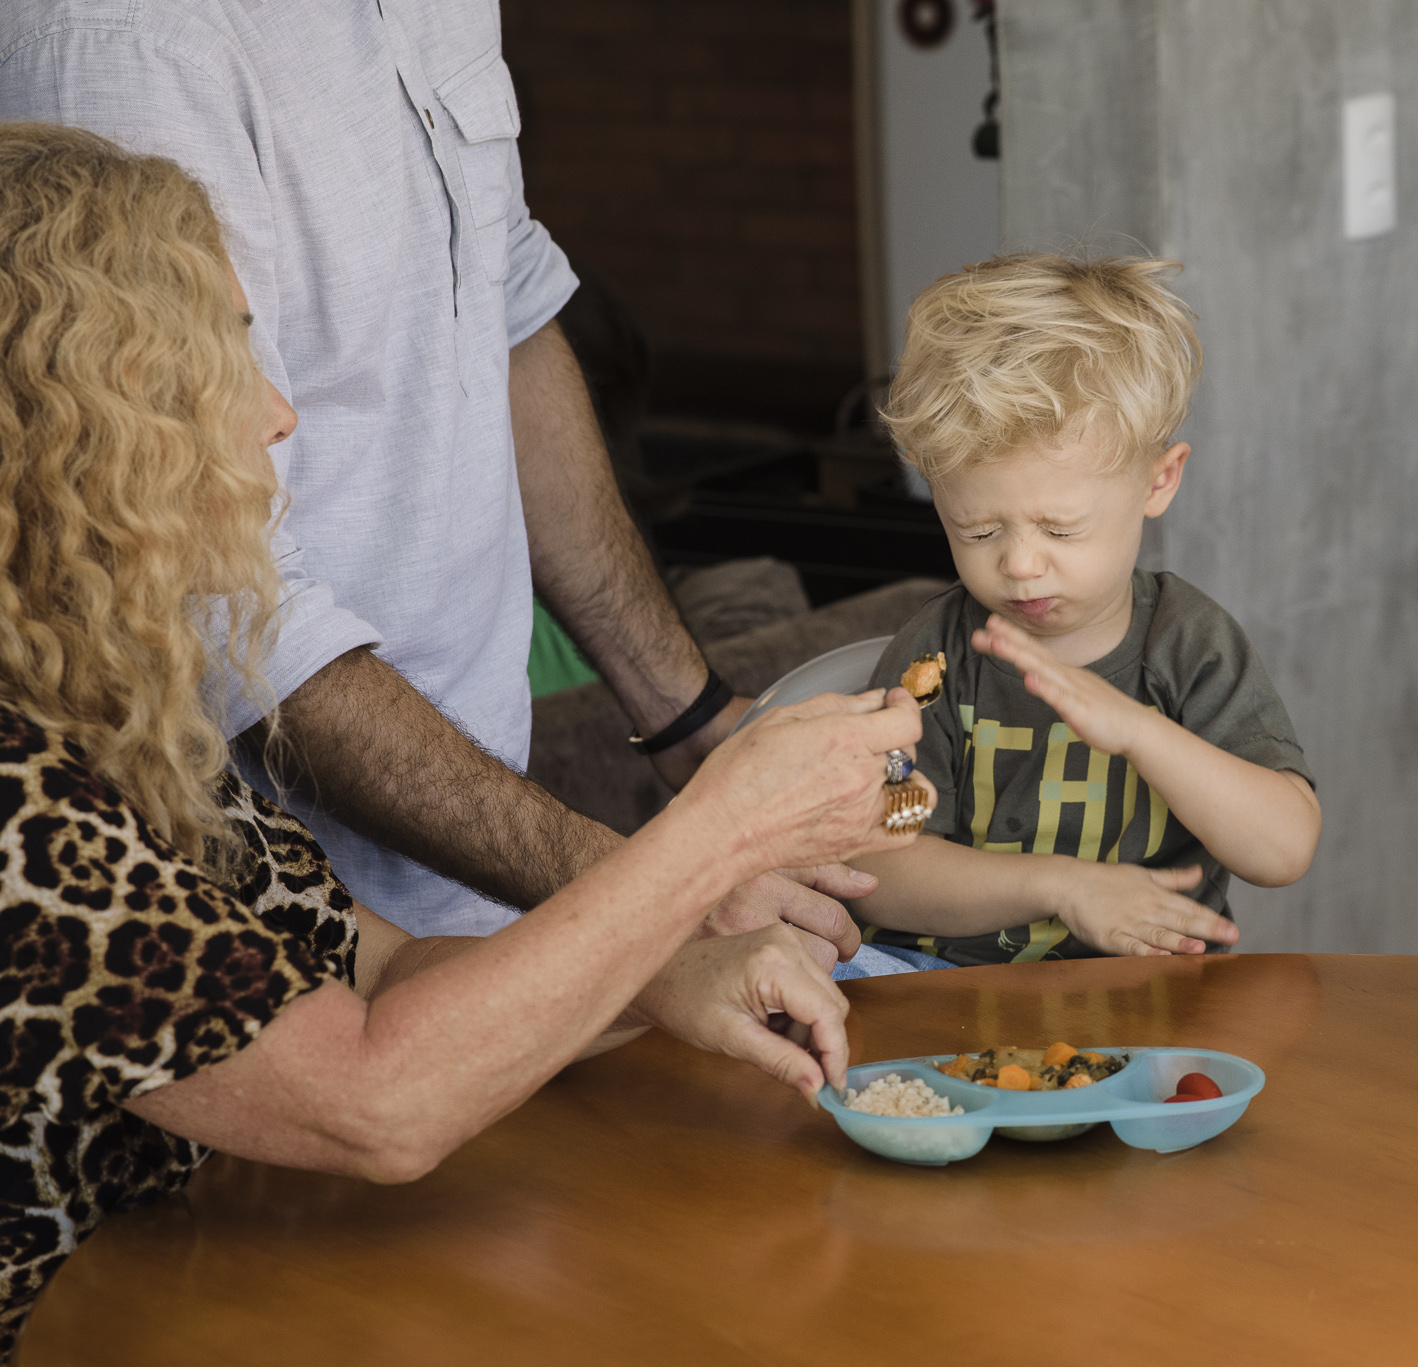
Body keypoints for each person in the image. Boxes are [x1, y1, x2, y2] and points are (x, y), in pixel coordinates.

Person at [0, 124, 934, 1353]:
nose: (277, 417)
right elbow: (376, 1099)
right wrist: (720, 831)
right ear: (82, 428)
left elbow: (377, 972)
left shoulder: (114, 708)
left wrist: (673, 977)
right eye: (220, 361)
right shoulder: (20, 798)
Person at [0, 1, 866, 955]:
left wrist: (688, 720)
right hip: (301, 929)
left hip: (469, 912)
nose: (281, 413)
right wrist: (649, 895)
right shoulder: (120, 37)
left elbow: (505, 301)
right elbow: (178, 565)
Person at [848, 254, 1321, 965]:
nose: (1020, 563)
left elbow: (1285, 848)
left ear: (1158, 481)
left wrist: (1137, 730)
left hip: (1151, 1001)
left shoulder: (1188, 646)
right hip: (952, 996)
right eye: (978, 531)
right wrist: (1066, 887)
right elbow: (878, 871)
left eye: (1061, 528)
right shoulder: (932, 658)